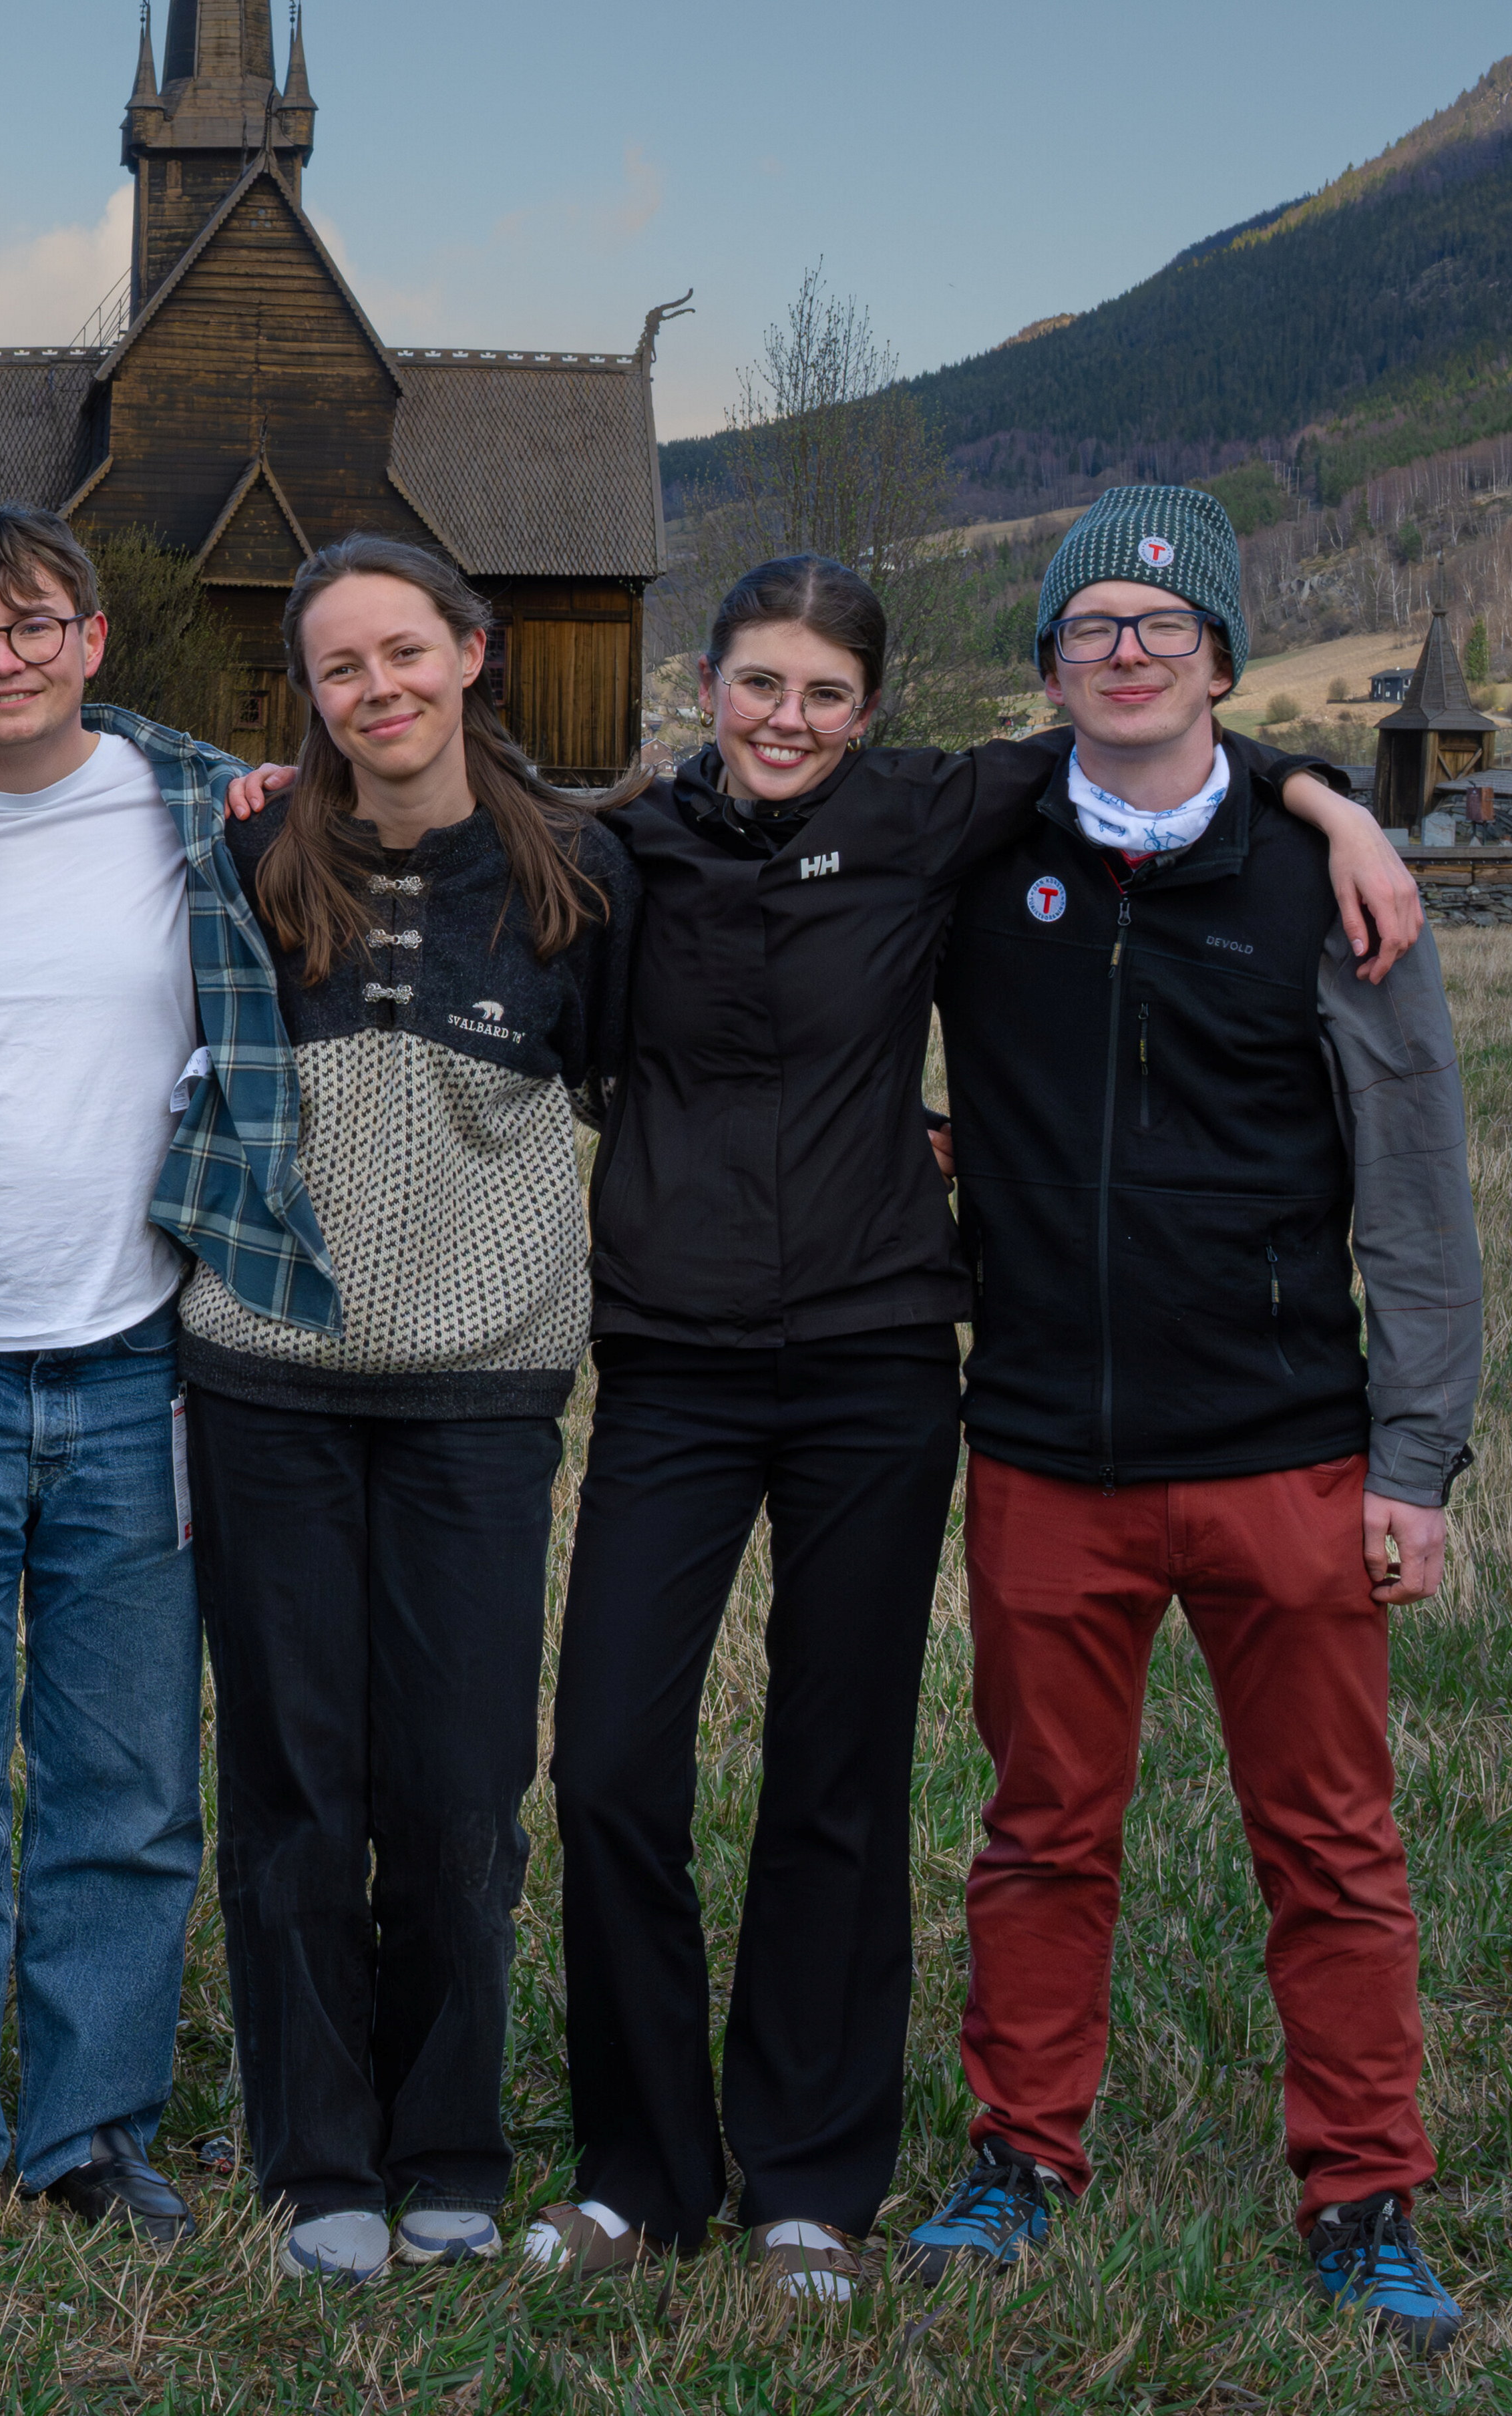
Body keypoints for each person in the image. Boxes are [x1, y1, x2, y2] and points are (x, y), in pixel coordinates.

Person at [512, 548, 1415, 2303]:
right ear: (705, 686)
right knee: (614, 1766)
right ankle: (640, 2171)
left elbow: (1147, 741)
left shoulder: (926, 813)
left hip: (868, 1362)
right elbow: (443, 821)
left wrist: (1335, 803)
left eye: (824, 694)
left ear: (872, 712)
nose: (787, 720)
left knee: (831, 1776)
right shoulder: (624, 849)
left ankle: (807, 2178)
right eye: (758, 684)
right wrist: (262, 786)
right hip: (672, 1366)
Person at [890, 486, 1484, 2356]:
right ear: (1051, 663)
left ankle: (1363, 2192)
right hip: (1047, 1457)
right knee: (1039, 1832)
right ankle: (1017, 2155)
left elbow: (1413, 1191)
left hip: (1284, 1451)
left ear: (1219, 659)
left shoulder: (1324, 884)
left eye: (1163, 625)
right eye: (1091, 626)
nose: (1126, 651)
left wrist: (1412, 1462)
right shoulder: (977, 863)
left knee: (1325, 1839)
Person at [0, 500, 333, 2253]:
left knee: (123, 1786)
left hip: (134, 1364)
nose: (2, 658)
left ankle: (91, 2131)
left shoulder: (212, 807)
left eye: (32, 623)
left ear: (91, 638)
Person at [188, 538, 638, 2284]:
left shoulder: (574, 873)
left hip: (478, 1384)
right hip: (264, 1376)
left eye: (401, 652)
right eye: (336, 669)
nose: (374, 690)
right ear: (304, 697)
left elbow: (637, 1078)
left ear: (469, 651)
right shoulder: (239, 856)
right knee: (296, 1782)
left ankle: (446, 2140)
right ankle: (316, 2158)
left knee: (456, 1787)